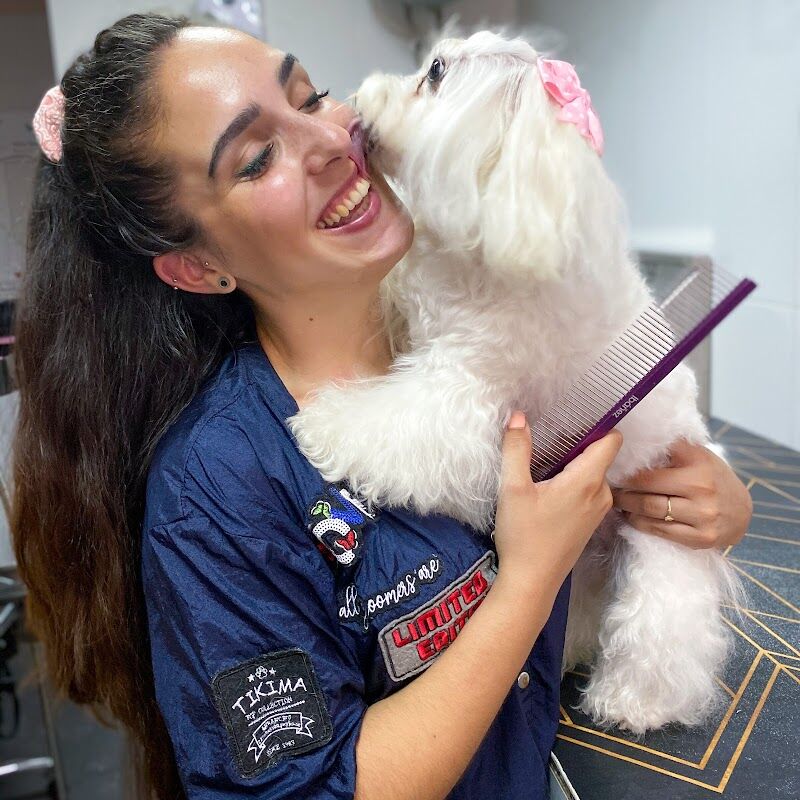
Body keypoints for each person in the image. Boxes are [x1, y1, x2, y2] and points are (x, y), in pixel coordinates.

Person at [12, 13, 753, 800]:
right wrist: (528, 581)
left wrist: (702, 504)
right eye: (257, 158)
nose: (336, 136)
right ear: (198, 267)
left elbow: (629, 456)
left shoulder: (480, 311)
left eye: (311, 96)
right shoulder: (218, 491)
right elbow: (310, 788)